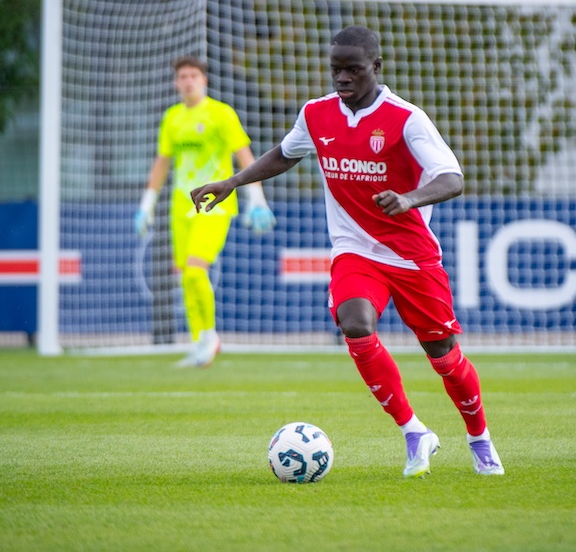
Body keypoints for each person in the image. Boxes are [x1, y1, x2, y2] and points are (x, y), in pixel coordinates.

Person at [191, 25, 503, 477]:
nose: (342, 78)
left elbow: (451, 178)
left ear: (376, 68)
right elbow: (285, 153)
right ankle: (414, 432)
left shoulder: (406, 118)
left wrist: (410, 199)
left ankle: (480, 439)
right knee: (355, 325)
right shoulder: (316, 114)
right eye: (336, 69)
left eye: (353, 70)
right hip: (355, 250)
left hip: (411, 253)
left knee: (445, 358)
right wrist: (233, 183)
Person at [134, 56, 274, 367]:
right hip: (179, 207)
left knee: (197, 269)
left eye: (193, 75)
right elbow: (162, 162)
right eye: (182, 76)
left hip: (213, 205)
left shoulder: (220, 114)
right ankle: (199, 342)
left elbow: (244, 154)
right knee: (185, 277)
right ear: (176, 82)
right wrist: (147, 203)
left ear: (204, 80)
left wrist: (257, 199)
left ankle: (210, 337)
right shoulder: (172, 117)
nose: (187, 81)